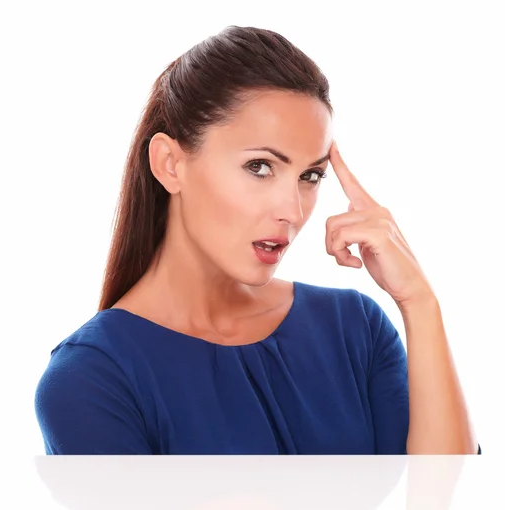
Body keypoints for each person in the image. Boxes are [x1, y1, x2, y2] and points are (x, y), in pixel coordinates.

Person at [34, 25, 480, 455]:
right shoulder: (91, 379)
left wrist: (418, 302)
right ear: (170, 164)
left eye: (310, 175)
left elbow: (449, 496)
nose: (294, 210)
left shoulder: (354, 329)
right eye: (260, 167)